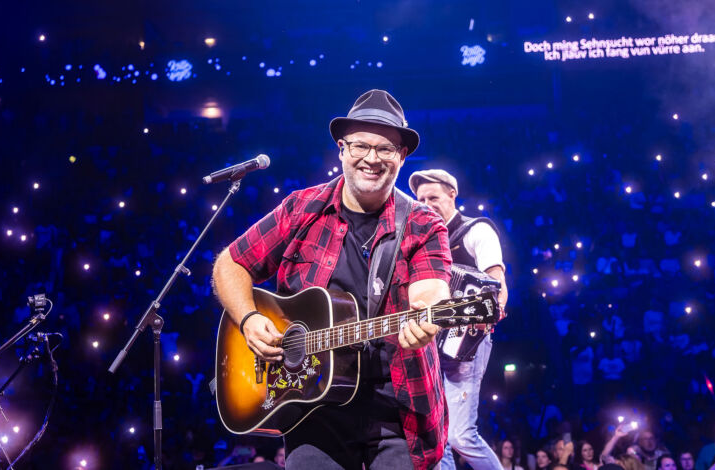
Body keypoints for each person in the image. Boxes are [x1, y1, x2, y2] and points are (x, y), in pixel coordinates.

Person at [212, 89, 452, 470]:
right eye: (360, 146)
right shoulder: (301, 208)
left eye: (386, 149)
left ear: (402, 156)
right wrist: (249, 318)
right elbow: (230, 264)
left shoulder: (423, 224)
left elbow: (432, 289)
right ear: (342, 149)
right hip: (312, 414)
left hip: (397, 415)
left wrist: (430, 315)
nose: (371, 158)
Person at [409, 169, 508, 470]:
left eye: (433, 197)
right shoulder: (421, 238)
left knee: (461, 436)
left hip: (466, 342)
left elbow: (496, 278)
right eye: (421, 199)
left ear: (452, 194)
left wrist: (493, 312)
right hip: (429, 343)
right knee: (435, 435)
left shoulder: (475, 230)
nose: (426, 203)